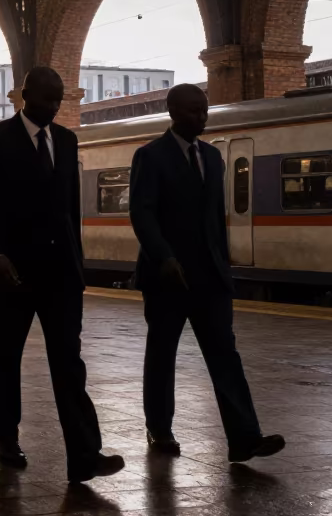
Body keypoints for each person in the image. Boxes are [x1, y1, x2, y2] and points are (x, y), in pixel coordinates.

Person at [0, 66, 123, 482]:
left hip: (60, 274)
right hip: (12, 272)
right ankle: (6, 438)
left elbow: (70, 209)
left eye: (59, 99)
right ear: (25, 95)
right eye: (47, 98)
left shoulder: (67, 141)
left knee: (69, 362)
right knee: (7, 356)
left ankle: (85, 455)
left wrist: (77, 265)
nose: (54, 106)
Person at [130, 83, 285, 463]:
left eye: (204, 109)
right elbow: (142, 212)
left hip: (210, 276)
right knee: (162, 354)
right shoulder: (150, 156)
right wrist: (164, 257)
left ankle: (245, 438)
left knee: (225, 355)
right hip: (167, 276)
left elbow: (215, 219)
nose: (201, 117)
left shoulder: (214, 157)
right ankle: (160, 430)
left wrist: (223, 265)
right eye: (193, 110)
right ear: (173, 112)